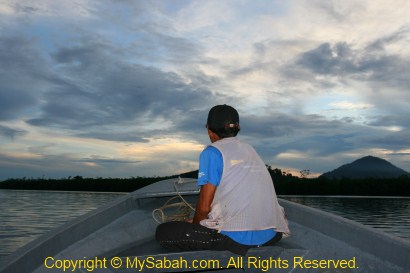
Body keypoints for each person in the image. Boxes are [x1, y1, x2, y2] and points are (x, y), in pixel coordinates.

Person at [155, 104, 289, 255]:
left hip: (236, 242)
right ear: (237, 128)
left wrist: (195, 224)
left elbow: (204, 208)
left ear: (209, 129)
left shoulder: (212, 152)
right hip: (272, 236)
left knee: (163, 232)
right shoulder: (250, 149)